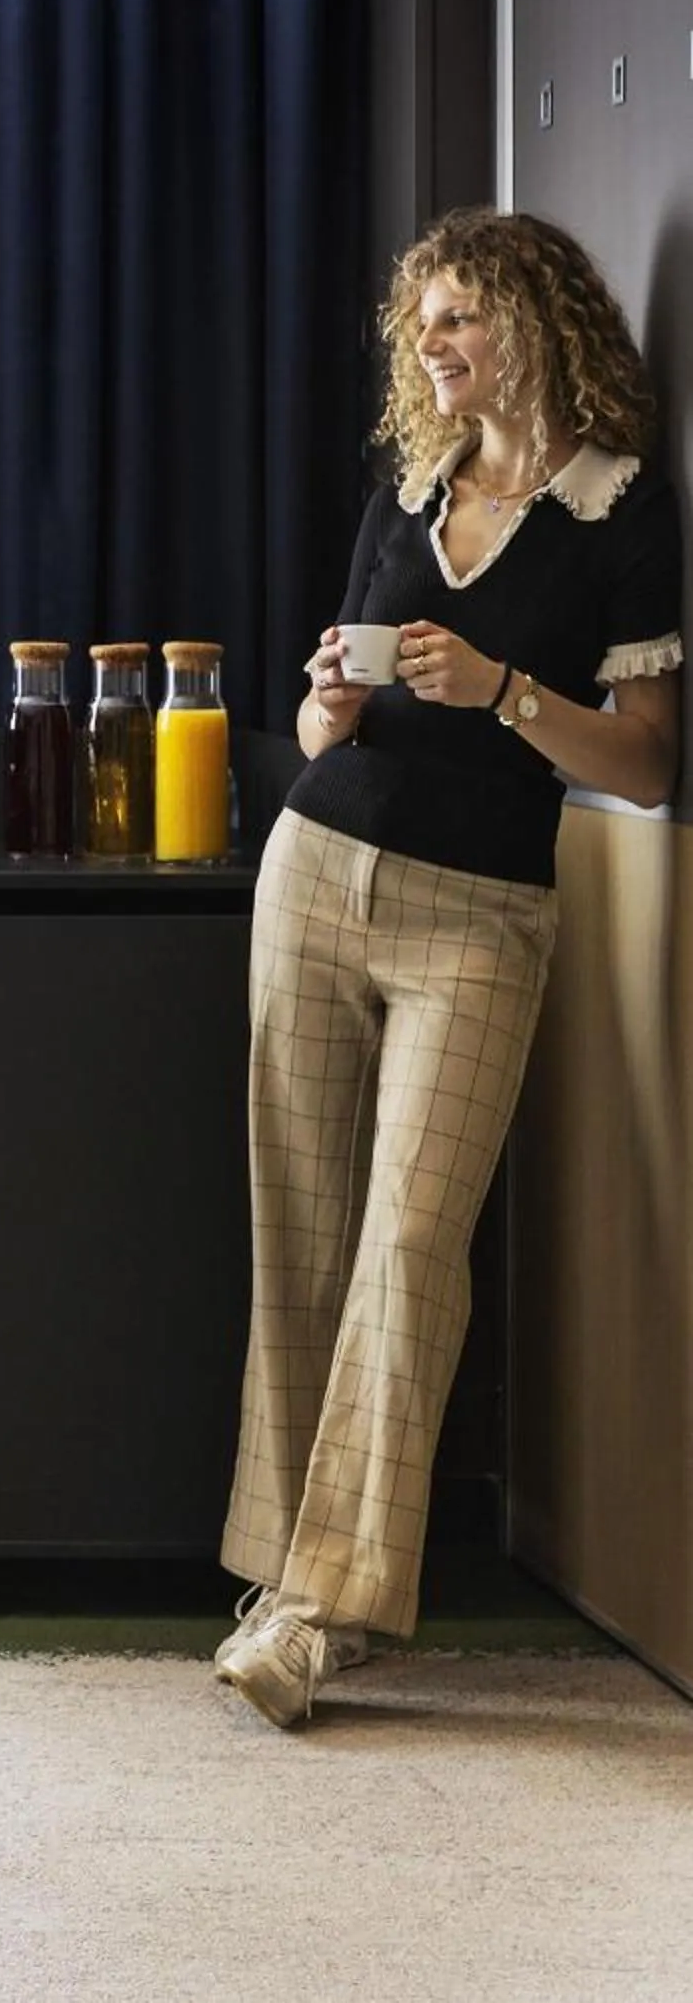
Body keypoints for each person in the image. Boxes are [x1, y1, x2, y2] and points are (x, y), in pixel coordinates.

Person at [216, 210, 682, 1729]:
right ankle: (281, 1567)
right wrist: (323, 714)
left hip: (480, 917)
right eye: (420, 322)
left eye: (460, 315)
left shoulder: (620, 513)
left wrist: (503, 692)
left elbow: (649, 766)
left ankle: (321, 1607)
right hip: (317, 868)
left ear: (538, 322)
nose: (432, 345)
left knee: (411, 1248)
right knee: (299, 1227)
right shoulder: (409, 490)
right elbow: (316, 717)